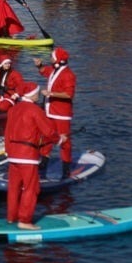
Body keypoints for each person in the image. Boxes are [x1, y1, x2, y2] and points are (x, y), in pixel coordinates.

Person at [4, 83, 59, 230]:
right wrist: (59, 139)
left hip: (13, 154)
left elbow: (7, 132)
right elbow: (48, 131)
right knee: (31, 188)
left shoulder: (13, 109)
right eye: (37, 92)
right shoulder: (35, 110)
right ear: (32, 95)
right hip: (27, 155)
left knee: (13, 187)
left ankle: (11, 217)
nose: (39, 94)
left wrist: (8, 151)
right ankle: (25, 220)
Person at [36, 47, 77, 177]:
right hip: (50, 111)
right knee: (47, 136)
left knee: (64, 140)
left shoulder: (68, 75)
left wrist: (51, 93)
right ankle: (44, 161)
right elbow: (45, 71)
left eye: (52, 56)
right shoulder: (54, 70)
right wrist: (39, 65)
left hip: (61, 114)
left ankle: (66, 167)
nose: (50, 58)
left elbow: (69, 94)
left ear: (58, 59)